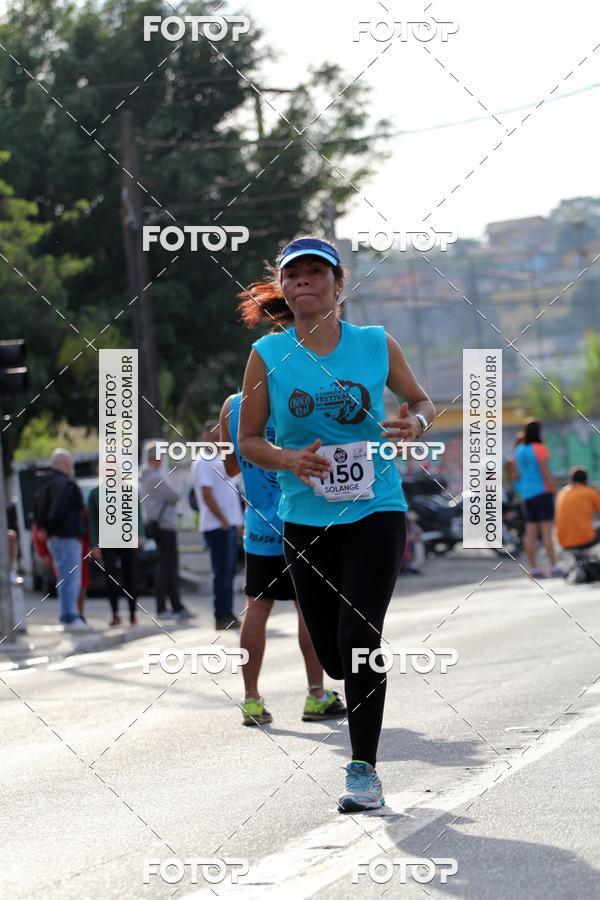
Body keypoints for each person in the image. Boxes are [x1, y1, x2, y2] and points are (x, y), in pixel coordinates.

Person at [237, 235, 435, 812]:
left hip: (377, 509)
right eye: (292, 275)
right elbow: (248, 439)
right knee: (329, 653)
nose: (303, 282)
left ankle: (363, 770)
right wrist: (289, 459)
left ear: (338, 284)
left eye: (315, 273)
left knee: (360, 638)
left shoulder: (376, 343)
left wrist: (416, 425)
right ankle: (347, 697)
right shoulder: (268, 356)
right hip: (304, 517)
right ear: (284, 287)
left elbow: (421, 401)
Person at [220, 391, 347, 725]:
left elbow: (230, 465)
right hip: (301, 519)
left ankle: (251, 700)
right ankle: (317, 694)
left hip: (258, 524)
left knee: (256, 607)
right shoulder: (295, 399)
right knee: (308, 608)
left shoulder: (232, 407)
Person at [192, 420, 243, 630]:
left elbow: (231, 494)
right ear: (205, 437)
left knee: (229, 571)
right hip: (216, 526)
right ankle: (221, 614)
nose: (216, 439)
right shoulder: (204, 460)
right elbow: (206, 494)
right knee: (222, 572)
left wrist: (237, 523)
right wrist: (223, 520)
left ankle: (227, 611)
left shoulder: (221, 459)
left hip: (229, 525)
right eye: (212, 435)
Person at [33, 448, 87, 629]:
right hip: (67, 536)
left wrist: (45, 528)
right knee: (71, 578)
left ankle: (68, 615)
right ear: (65, 464)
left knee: (64, 577)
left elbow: (38, 510)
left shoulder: (45, 483)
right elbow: (63, 509)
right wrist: (53, 526)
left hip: (55, 538)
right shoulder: (66, 484)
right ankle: (70, 616)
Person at [139, 443, 192, 621]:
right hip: (164, 526)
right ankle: (164, 607)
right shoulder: (154, 478)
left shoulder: (144, 476)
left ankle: (175, 605)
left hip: (157, 525)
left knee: (166, 566)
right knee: (166, 567)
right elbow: (174, 496)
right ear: (156, 458)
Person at [87, 480, 145, 626]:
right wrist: (95, 544)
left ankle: (132, 613)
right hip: (107, 540)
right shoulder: (95, 494)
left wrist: (139, 534)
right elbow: (93, 521)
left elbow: (136, 513)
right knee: (110, 575)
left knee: (129, 575)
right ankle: (115, 614)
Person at [513, 419, 562, 577]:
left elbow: (516, 474)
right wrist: (556, 491)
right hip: (542, 493)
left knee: (530, 533)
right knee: (547, 532)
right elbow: (545, 473)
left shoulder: (519, 450)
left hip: (526, 496)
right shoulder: (540, 448)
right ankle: (554, 566)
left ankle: (534, 568)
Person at [555, 467, 600, 551]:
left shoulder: (562, 492)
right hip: (583, 539)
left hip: (562, 541)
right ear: (586, 480)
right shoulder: (589, 492)